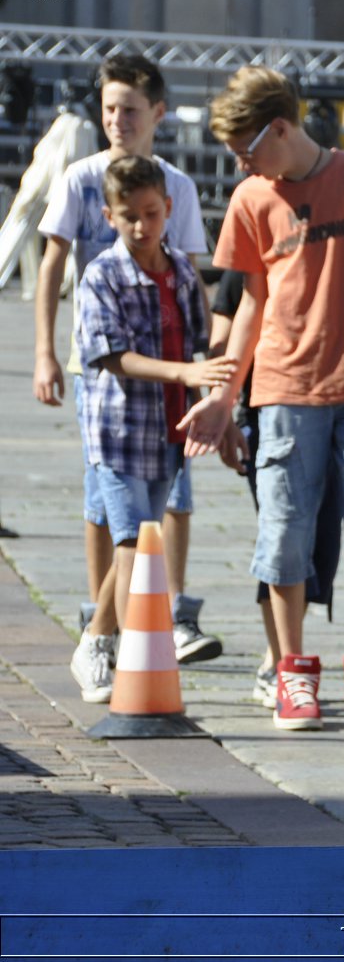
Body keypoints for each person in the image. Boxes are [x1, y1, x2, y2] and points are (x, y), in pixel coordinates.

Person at [179, 66, 344, 733]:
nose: (241, 164)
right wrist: (225, 394)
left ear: (280, 127)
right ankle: (292, 670)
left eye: (246, 149)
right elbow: (249, 303)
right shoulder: (254, 198)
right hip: (284, 388)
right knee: (284, 528)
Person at [33, 53, 221, 664]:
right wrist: (45, 351)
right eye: (109, 107)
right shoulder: (81, 179)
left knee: (171, 496)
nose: (117, 119)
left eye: (130, 109)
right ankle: (102, 621)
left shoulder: (176, 186)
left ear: (157, 114)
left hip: (169, 357)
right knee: (109, 500)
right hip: (106, 361)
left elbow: (191, 274)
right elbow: (53, 261)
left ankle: (170, 610)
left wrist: (207, 382)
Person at [69, 156, 234, 701]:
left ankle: (107, 640)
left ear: (168, 208)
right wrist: (186, 373)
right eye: (128, 216)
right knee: (130, 539)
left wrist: (213, 405)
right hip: (116, 433)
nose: (141, 226)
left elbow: (200, 344)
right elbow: (110, 355)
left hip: (167, 432)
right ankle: (98, 642)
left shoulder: (184, 273)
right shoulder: (102, 274)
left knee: (145, 537)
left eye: (151, 213)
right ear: (108, 215)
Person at [209, 269, 344, 709]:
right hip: (264, 417)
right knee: (284, 534)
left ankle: (284, 655)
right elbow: (221, 347)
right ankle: (277, 660)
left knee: (322, 543)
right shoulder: (246, 269)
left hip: (330, 410)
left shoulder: (325, 258)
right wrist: (224, 414)